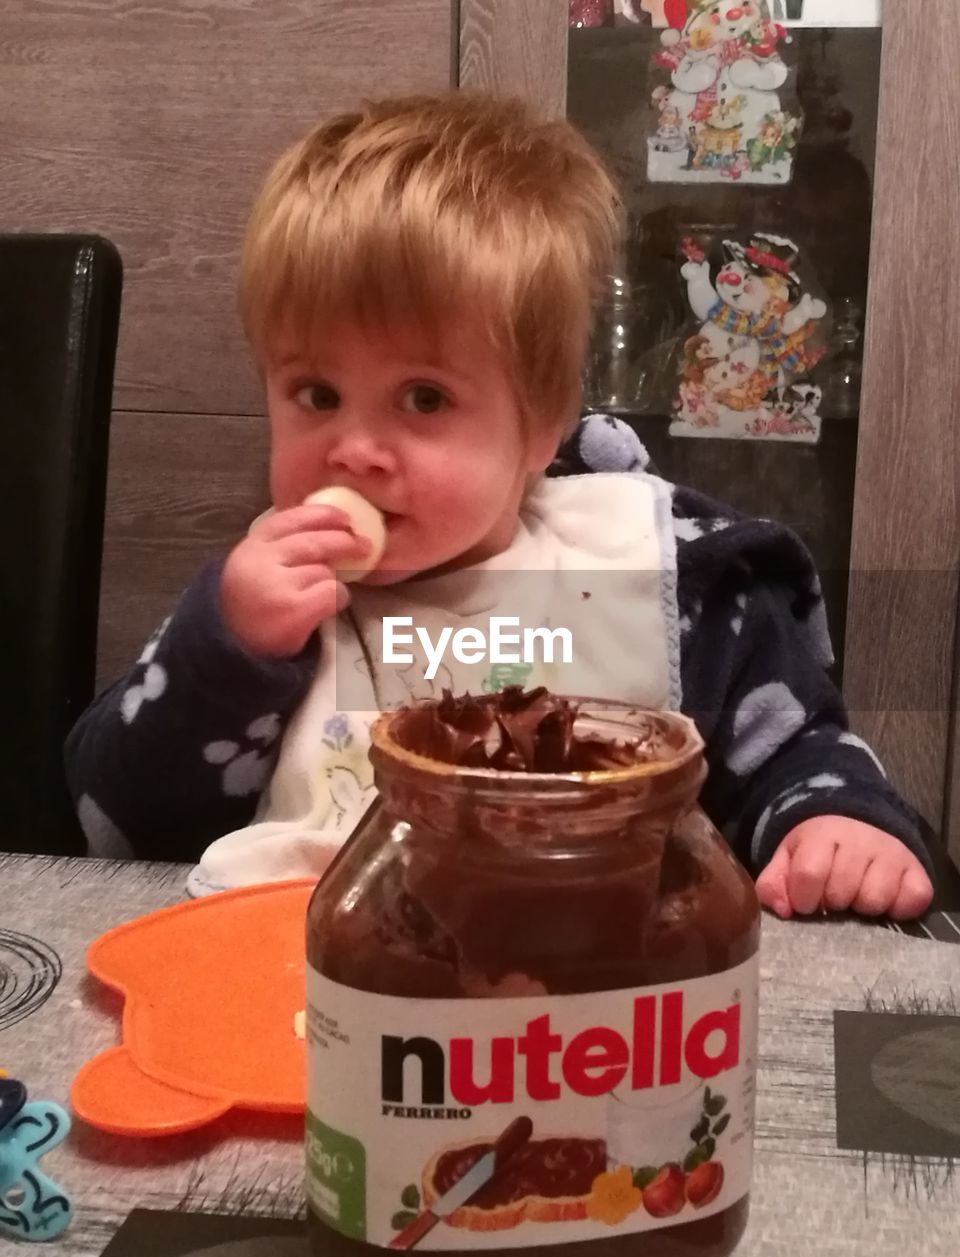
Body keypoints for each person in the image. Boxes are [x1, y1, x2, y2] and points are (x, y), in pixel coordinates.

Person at [65, 91, 932, 921]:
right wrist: (229, 652)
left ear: (539, 426)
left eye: (425, 399)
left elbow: (795, 751)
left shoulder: (662, 579)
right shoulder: (262, 609)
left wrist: (835, 824)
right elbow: (117, 829)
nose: (353, 448)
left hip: (602, 997)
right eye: (317, 393)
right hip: (314, 994)